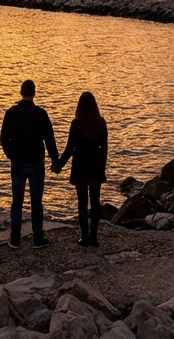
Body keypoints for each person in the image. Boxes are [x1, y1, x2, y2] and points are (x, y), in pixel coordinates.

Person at [0, 79, 59, 248]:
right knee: (36, 201)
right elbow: (50, 140)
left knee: (17, 201)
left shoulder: (11, 113)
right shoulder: (41, 114)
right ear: (34, 93)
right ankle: (38, 238)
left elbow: (3, 138)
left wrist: (11, 154)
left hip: (18, 162)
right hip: (36, 163)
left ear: (21, 92)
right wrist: (55, 161)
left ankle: (15, 238)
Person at [52, 91, 108, 247]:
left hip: (81, 167)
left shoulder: (76, 124)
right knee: (95, 202)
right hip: (96, 167)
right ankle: (94, 237)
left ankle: (84, 237)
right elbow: (104, 149)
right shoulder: (101, 122)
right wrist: (102, 167)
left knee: (82, 202)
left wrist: (59, 165)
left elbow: (70, 148)